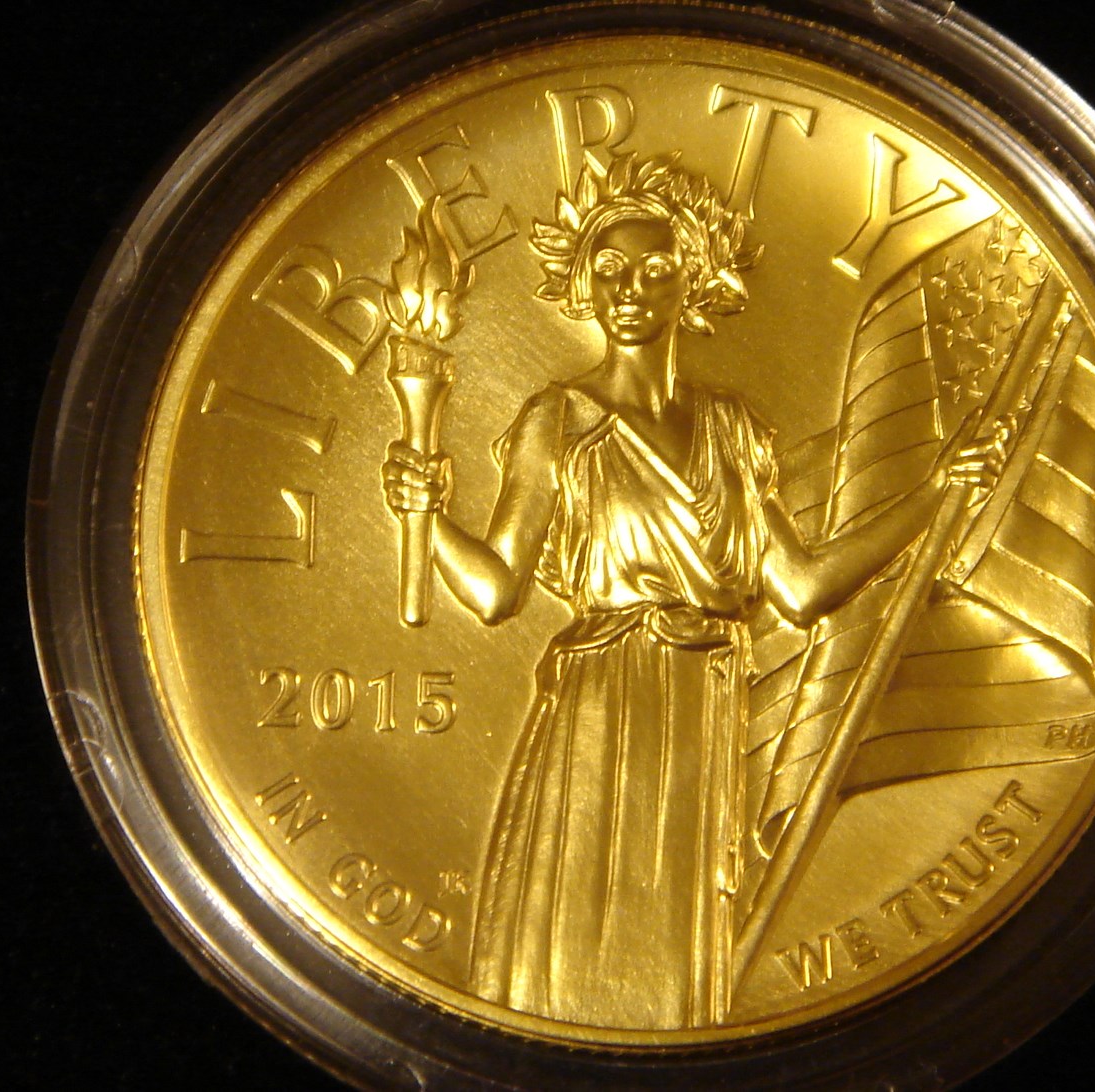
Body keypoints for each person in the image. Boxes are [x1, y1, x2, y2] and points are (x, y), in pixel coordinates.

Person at [383, 153, 1002, 1030]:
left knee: (672, 942)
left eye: (656, 269)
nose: (630, 290)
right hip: (600, 702)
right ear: (583, 286)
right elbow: (494, 593)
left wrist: (936, 495)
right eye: (610, 270)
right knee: (580, 917)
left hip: (700, 703)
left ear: (695, 282)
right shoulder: (557, 419)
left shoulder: (730, 430)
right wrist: (428, 517)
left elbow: (802, 587)